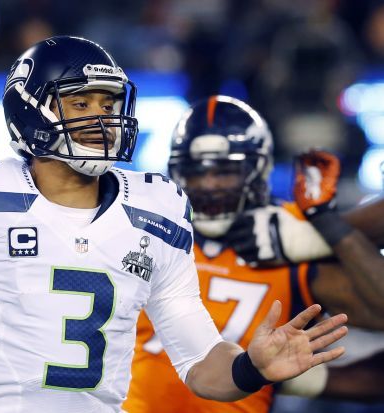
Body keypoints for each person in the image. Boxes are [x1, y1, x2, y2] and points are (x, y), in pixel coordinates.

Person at [0, 37, 348, 412]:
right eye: (79, 102)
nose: (100, 118)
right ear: (30, 111)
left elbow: (203, 364)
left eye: (107, 102)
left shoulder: (157, 207)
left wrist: (252, 368)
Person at [123, 95, 384, 413]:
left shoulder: (288, 237)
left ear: (258, 169)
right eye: (196, 172)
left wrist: (323, 230)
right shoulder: (145, 228)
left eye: (224, 171)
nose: (209, 185)